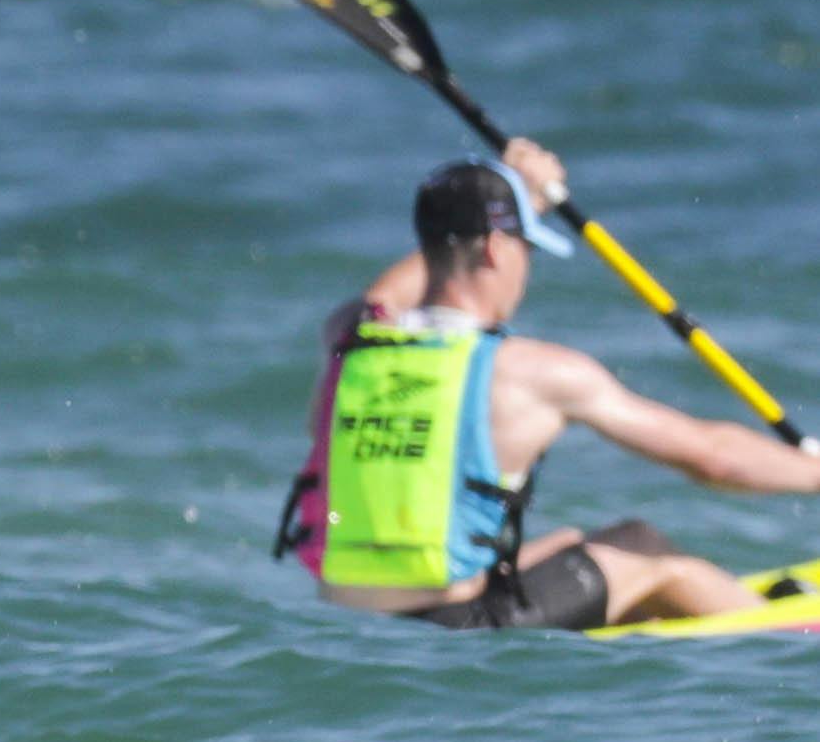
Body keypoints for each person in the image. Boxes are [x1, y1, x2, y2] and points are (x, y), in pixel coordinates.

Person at [280, 146, 808, 629]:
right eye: (525, 247)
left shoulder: (351, 339)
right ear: (493, 250)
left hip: (350, 624)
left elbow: (387, 292)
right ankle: (797, 633)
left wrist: (519, 197)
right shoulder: (529, 373)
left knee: (622, 540)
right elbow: (711, 457)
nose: (526, 266)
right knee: (665, 571)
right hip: (457, 627)